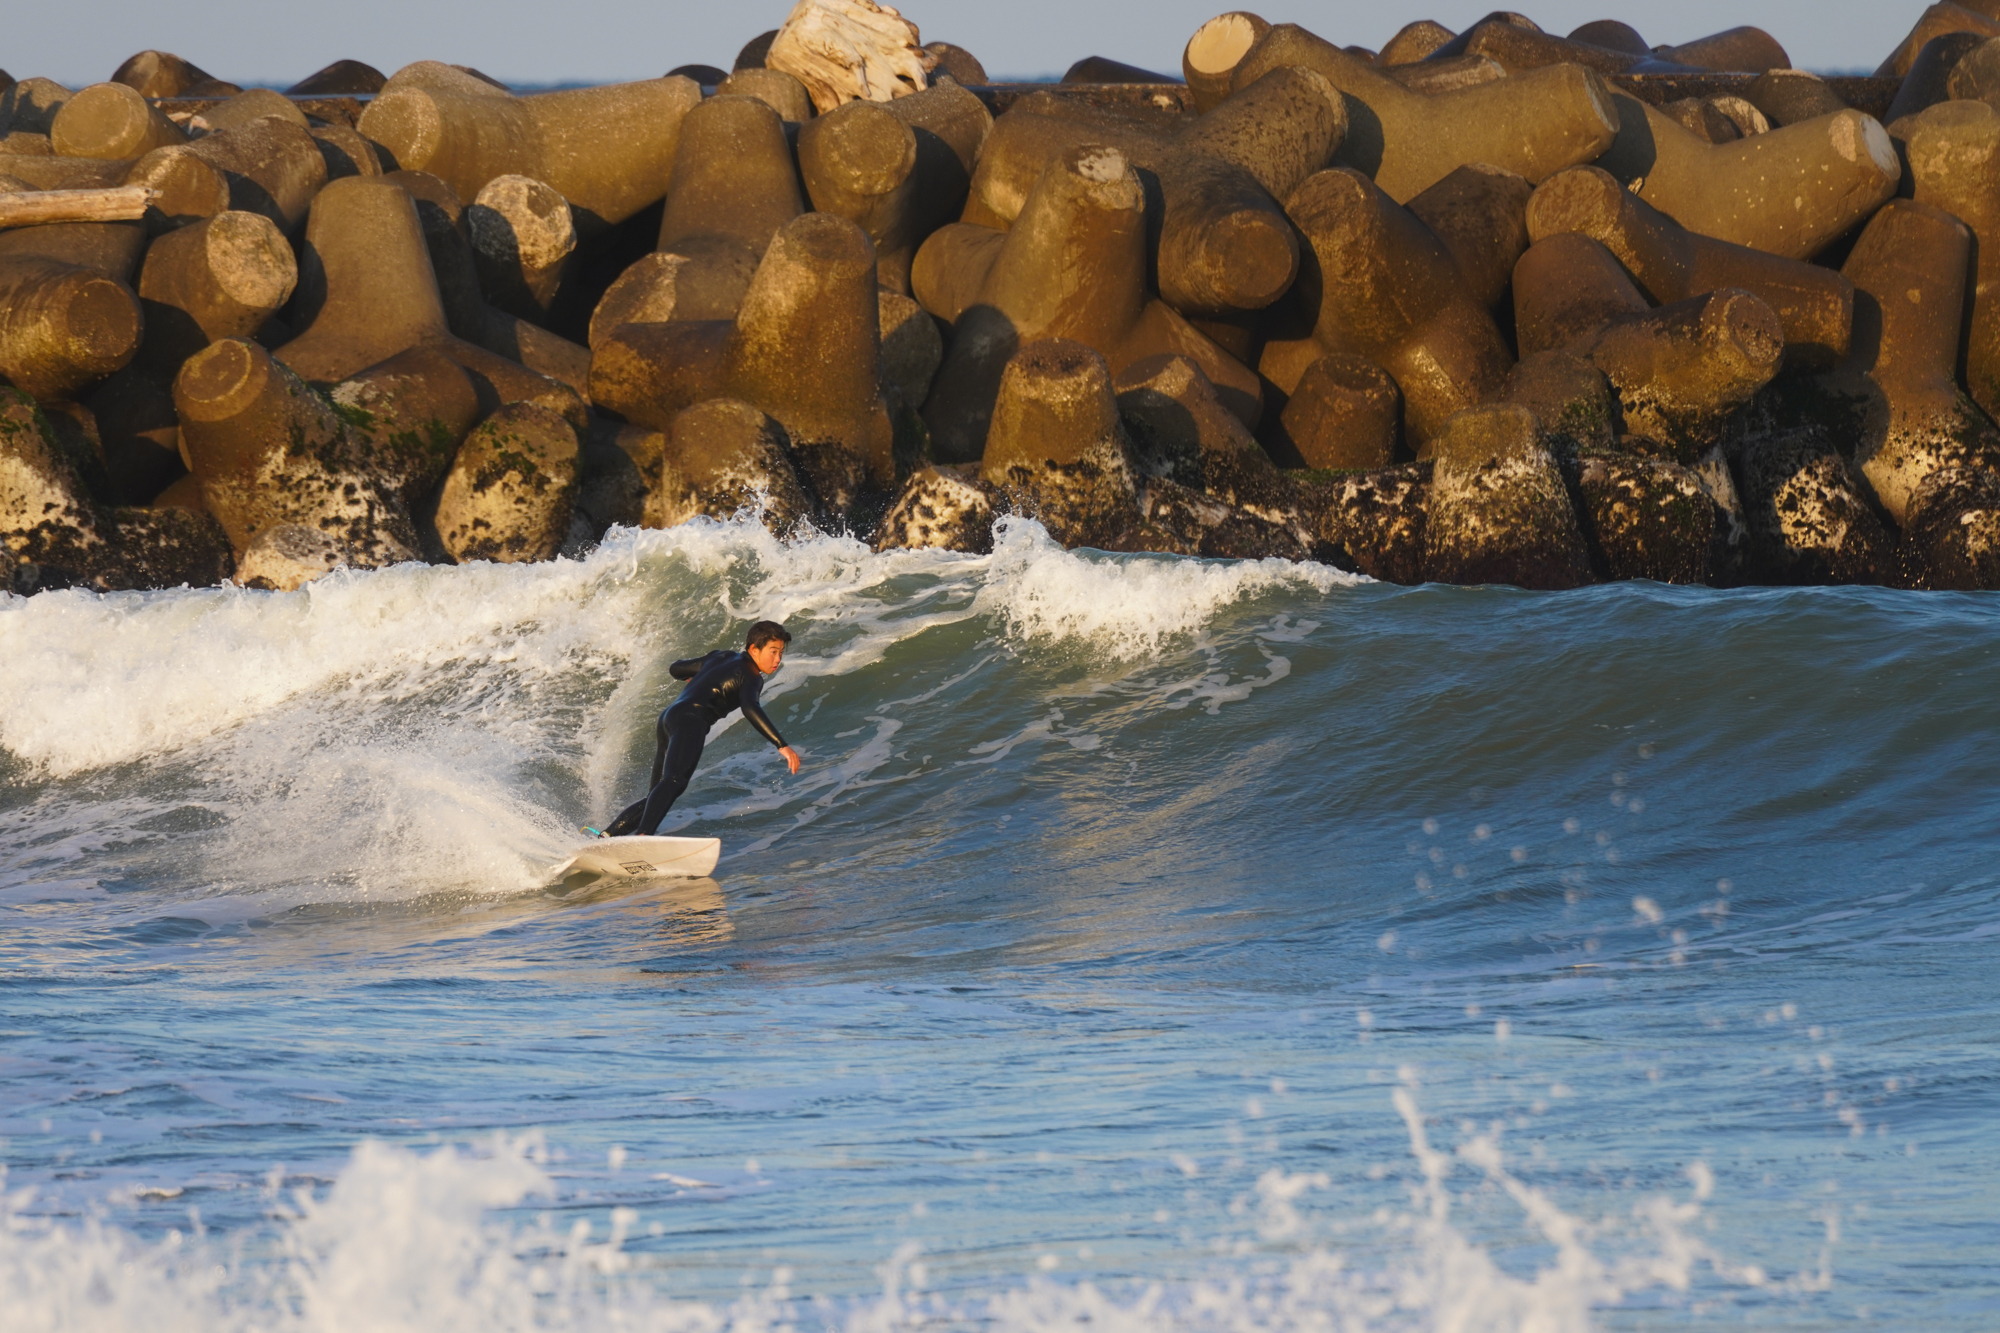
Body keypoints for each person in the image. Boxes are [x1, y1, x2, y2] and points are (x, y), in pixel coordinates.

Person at [595, 621, 803, 837]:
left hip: (669, 717)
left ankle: (606, 837)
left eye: (781, 652)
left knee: (658, 794)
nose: (778, 659)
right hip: (691, 721)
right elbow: (750, 707)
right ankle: (644, 836)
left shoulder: (720, 656)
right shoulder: (752, 676)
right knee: (675, 780)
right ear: (754, 649)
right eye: (773, 651)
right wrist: (782, 745)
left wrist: (694, 676)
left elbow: (675, 668)